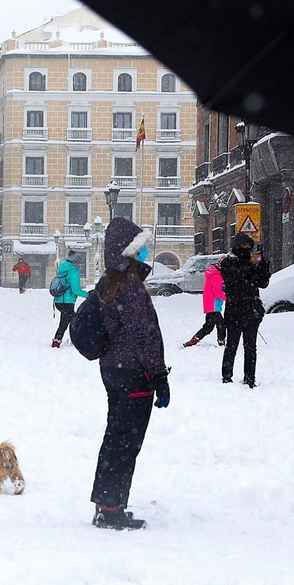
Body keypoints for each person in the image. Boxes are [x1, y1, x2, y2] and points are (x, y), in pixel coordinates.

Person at [90, 218, 168, 530]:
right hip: (133, 373)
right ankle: (111, 509)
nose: (145, 251)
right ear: (129, 251)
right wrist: (158, 375)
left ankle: (107, 504)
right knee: (125, 443)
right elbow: (143, 336)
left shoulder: (108, 282)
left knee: (115, 439)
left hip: (113, 369)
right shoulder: (131, 288)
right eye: (140, 246)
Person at [218, 235, 271, 386]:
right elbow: (236, 280)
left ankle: (250, 378)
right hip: (234, 311)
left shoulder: (251, 264)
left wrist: (262, 266)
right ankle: (226, 377)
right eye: (244, 246)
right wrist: (251, 264)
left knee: (250, 347)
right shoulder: (228, 262)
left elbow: (262, 283)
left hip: (251, 312)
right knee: (231, 346)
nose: (247, 249)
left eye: (250, 246)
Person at [183, 258, 227, 347]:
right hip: (213, 305)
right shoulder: (217, 277)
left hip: (211, 305)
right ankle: (221, 341)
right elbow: (218, 293)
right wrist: (228, 298)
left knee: (209, 326)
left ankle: (195, 339)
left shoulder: (215, 276)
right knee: (220, 324)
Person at [50, 253, 86, 348]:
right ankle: (81, 341)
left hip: (58, 301)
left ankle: (57, 341)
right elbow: (76, 290)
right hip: (67, 301)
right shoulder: (73, 272)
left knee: (65, 322)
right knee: (77, 321)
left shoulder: (62, 269)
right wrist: (88, 295)